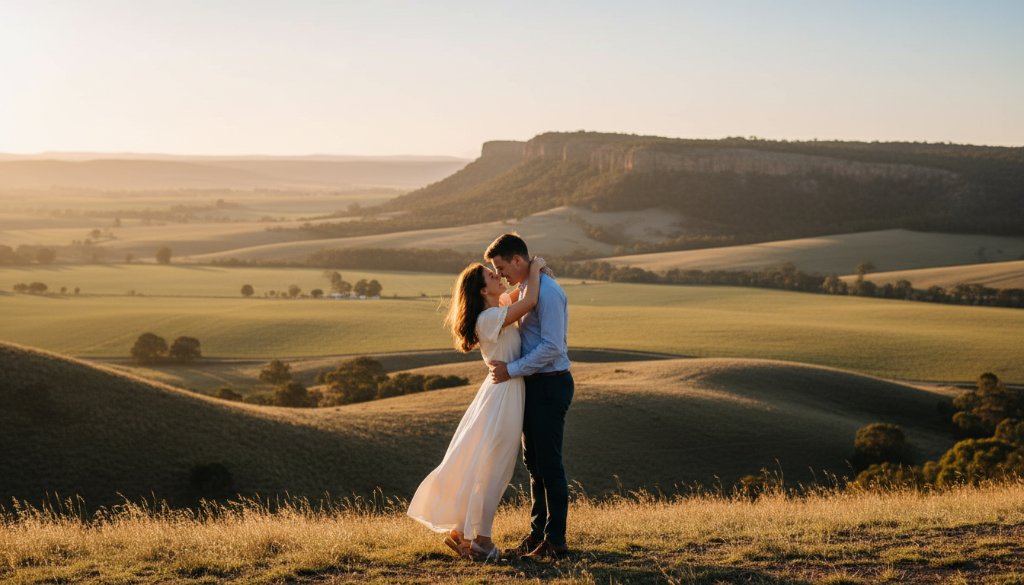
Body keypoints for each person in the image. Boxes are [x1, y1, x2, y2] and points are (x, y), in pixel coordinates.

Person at [407, 253, 548, 561]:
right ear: (483, 291)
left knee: (486, 464)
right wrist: (535, 269)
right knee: (493, 468)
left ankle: (462, 532)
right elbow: (530, 301)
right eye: (492, 276)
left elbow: (517, 294)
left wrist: (524, 275)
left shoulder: (494, 310)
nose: (499, 277)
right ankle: (481, 541)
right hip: (505, 396)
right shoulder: (488, 319)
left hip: (503, 391)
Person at [485, 233, 573, 560]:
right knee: (534, 464)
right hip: (533, 385)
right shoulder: (527, 288)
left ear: (518, 261)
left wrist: (512, 369)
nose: (501, 274)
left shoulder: (548, 292)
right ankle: (537, 535)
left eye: (502, 266)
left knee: (550, 465)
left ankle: (556, 541)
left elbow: (552, 347)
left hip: (550, 384)